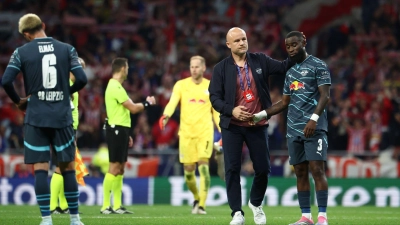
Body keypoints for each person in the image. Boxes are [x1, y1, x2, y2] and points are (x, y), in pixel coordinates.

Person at [1, 14, 87, 225]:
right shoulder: (68, 49)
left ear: (26, 34)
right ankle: (75, 219)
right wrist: (66, 92)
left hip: (36, 116)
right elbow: (82, 79)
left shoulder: (21, 52)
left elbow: (6, 81)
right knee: (67, 168)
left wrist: (19, 101)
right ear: (44, 26)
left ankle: (46, 219)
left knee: (40, 168)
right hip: (62, 116)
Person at [208, 27, 295, 225]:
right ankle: (236, 213)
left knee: (263, 168)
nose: (242, 43)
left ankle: (256, 203)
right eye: (237, 40)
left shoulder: (260, 60)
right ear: (228, 45)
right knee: (232, 169)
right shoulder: (221, 68)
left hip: (257, 123)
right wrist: (232, 110)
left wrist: (295, 50)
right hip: (233, 125)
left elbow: (283, 67)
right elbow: (214, 98)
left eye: (244, 39)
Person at [252, 31, 330, 225]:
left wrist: (313, 119)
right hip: (294, 129)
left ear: (304, 42)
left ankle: (322, 217)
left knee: (317, 170)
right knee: (300, 172)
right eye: (288, 47)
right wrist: (262, 114)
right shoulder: (290, 71)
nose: (291, 49)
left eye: (295, 45)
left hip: (315, 127)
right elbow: (284, 102)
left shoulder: (318, 65)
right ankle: (306, 217)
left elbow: (325, 96)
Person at [159, 55, 221, 215]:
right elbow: (172, 102)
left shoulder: (211, 86)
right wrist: (165, 116)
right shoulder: (181, 85)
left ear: (203, 68)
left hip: (205, 133)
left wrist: (222, 130)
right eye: (192, 67)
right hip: (186, 134)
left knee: (203, 167)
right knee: (188, 171)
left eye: (197, 67)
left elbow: (216, 112)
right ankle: (195, 197)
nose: (194, 69)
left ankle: (202, 205)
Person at [101, 57, 156, 214]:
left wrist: (128, 133)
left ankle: (117, 206)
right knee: (114, 167)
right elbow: (132, 108)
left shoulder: (118, 87)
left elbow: (123, 111)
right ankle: (105, 205)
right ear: (123, 69)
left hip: (122, 129)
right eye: (127, 68)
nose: (128, 70)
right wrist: (147, 103)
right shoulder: (114, 86)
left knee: (121, 169)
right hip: (116, 129)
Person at [50, 57, 88, 215]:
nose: (82, 71)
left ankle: (62, 205)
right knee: (62, 166)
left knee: (65, 166)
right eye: (80, 68)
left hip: (69, 128)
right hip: (65, 128)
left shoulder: (71, 84)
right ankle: (53, 206)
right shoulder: (66, 84)